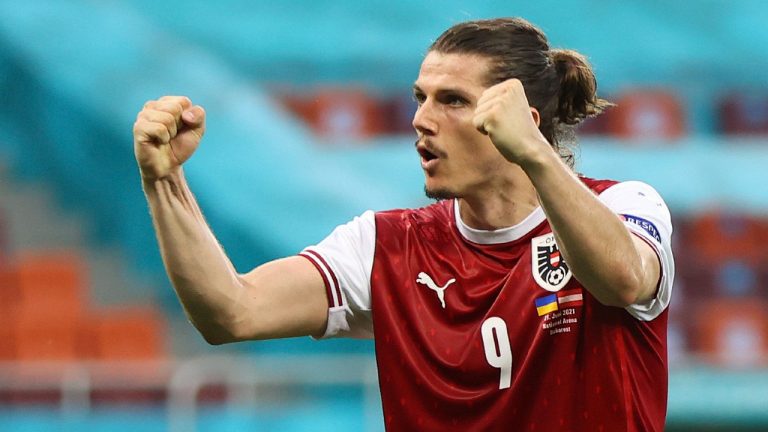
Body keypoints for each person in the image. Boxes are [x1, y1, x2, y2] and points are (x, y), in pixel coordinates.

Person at [133, 17, 674, 432]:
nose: (420, 119)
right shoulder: (384, 246)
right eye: (421, 98)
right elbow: (232, 312)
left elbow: (622, 278)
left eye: (453, 101)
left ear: (522, 124)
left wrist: (534, 155)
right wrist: (165, 181)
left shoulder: (627, 206)